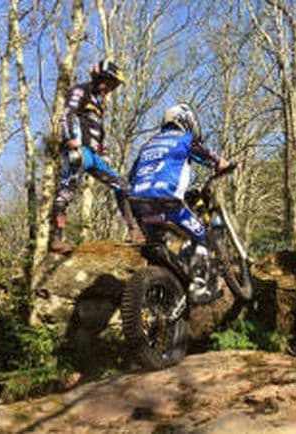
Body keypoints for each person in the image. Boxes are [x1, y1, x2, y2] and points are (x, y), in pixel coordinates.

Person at [127, 103, 230, 303]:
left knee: (158, 247)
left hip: (138, 204)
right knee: (203, 236)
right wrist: (222, 163)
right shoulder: (185, 139)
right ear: (187, 121)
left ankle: (160, 291)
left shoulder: (147, 145)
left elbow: (131, 176)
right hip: (167, 201)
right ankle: (199, 285)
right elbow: (209, 156)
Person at [50, 59, 143, 253]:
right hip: (77, 151)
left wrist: (104, 152)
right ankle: (57, 239)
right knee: (66, 192)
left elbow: (99, 133)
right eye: (108, 82)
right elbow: (66, 114)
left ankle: (134, 231)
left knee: (122, 185)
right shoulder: (79, 90)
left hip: (93, 155)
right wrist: (69, 139)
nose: (110, 88)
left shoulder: (100, 104)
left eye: (113, 85)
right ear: (99, 77)